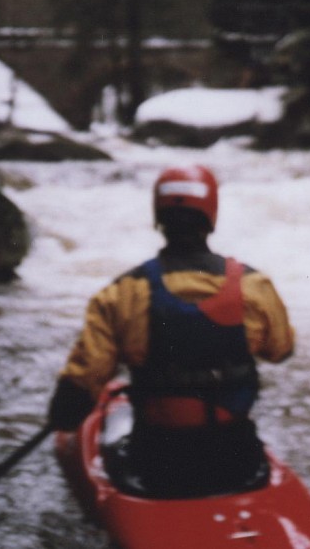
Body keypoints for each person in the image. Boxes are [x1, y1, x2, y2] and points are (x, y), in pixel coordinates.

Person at [46, 165, 295, 497]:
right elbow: (281, 350)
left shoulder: (122, 293)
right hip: (237, 461)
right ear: (211, 216)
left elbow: (82, 383)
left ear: (159, 218)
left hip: (157, 466)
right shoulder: (254, 286)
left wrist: (63, 417)